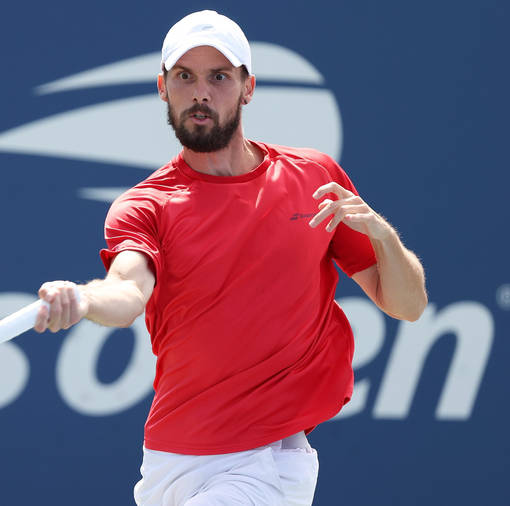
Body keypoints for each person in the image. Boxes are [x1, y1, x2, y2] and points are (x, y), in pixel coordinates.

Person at [31, 10, 427, 506]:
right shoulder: (145, 205)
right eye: (185, 77)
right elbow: (129, 291)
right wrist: (85, 299)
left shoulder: (315, 178)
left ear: (248, 87)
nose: (201, 92)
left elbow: (407, 305)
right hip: (169, 463)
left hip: (267, 463)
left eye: (218, 77)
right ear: (162, 88)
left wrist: (383, 237)